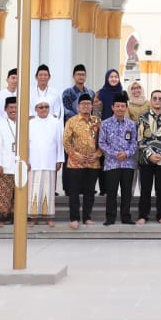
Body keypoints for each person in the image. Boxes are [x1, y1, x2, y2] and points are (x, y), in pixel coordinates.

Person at [62, 94, 102, 229]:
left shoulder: (97, 121)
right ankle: (74, 218)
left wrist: (97, 154)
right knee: (74, 191)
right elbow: (66, 142)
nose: (85, 106)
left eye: (88, 104)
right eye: (83, 104)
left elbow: (103, 141)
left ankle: (87, 217)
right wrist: (76, 155)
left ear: (92, 106)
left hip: (93, 162)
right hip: (75, 162)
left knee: (90, 191)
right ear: (78, 106)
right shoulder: (71, 121)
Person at [98, 92, 138, 225]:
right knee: (111, 192)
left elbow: (135, 143)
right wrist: (116, 154)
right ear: (112, 107)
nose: (120, 108)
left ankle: (126, 217)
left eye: (123, 106)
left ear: (126, 107)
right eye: (118, 106)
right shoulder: (105, 124)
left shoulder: (132, 124)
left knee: (127, 192)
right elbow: (102, 143)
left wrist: (126, 153)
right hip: (111, 164)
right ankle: (110, 217)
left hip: (128, 163)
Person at [136, 88, 161, 224]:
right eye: (154, 98)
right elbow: (140, 139)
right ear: (150, 101)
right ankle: (143, 216)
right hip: (146, 159)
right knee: (145, 189)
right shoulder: (142, 118)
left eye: (160, 98)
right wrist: (150, 155)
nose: (157, 101)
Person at [26, 98, 63, 226]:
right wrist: (27, 160)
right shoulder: (30, 123)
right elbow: (26, 143)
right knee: (34, 190)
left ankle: (49, 217)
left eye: (46, 107)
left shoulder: (56, 122)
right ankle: (33, 217)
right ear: (36, 109)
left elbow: (59, 142)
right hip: (34, 161)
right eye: (41, 107)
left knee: (48, 189)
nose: (44, 109)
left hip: (50, 160)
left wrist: (59, 159)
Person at [0, 96, 20, 224]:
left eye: (15, 107)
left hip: (20, 164)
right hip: (5, 163)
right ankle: (2, 218)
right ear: (5, 109)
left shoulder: (23, 123)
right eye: (11, 107)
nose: (13, 110)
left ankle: (17, 217)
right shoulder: (0, 125)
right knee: (4, 193)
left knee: (19, 193)